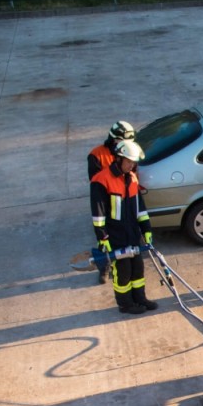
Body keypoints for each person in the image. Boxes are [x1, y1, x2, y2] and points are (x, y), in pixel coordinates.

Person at [90, 139, 158, 315]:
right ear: (119, 158)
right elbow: (98, 214)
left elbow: (140, 208)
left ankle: (140, 299)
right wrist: (102, 237)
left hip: (132, 233)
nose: (131, 165)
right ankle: (125, 304)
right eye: (128, 161)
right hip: (115, 236)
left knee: (137, 268)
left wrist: (146, 229)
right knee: (123, 271)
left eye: (133, 162)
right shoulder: (101, 180)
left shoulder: (132, 178)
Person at [87, 120, 136, 284]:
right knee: (104, 239)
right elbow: (96, 183)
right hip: (106, 205)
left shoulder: (128, 153)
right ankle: (104, 267)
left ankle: (126, 264)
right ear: (114, 139)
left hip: (124, 202)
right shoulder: (96, 155)